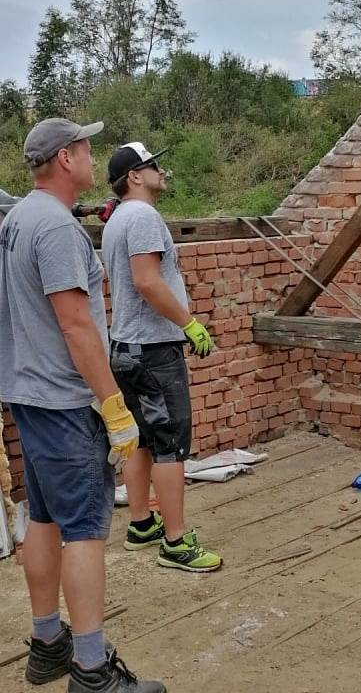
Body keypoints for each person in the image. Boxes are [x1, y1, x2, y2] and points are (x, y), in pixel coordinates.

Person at [0, 118, 165, 693]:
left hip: (27, 393)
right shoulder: (56, 232)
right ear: (65, 159)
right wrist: (114, 407)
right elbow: (76, 324)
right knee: (86, 530)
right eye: (86, 148)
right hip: (69, 401)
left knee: (43, 519)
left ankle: (48, 644)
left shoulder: (21, 217)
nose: (93, 156)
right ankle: (92, 671)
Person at [101, 141, 222, 573]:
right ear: (135, 176)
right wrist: (189, 323)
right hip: (153, 351)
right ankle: (175, 542)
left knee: (142, 438)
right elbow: (148, 282)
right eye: (154, 165)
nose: (161, 170)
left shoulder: (117, 218)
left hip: (123, 348)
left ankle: (141, 523)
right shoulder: (144, 216)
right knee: (171, 441)